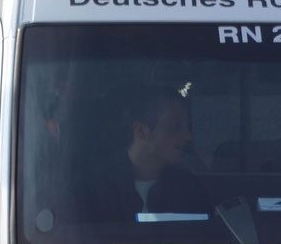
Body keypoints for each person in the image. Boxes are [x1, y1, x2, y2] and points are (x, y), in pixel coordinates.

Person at [69, 85, 212, 222]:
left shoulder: (189, 189)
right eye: (176, 126)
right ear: (140, 131)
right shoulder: (90, 189)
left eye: (188, 126)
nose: (188, 136)